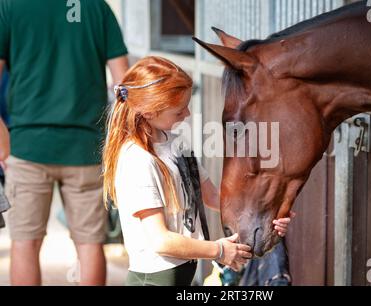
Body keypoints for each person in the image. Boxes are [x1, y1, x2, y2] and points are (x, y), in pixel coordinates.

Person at [102, 56, 294, 286]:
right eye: (179, 111)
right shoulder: (139, 160)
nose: (187, 115)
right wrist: (219, 251)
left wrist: (268, 213)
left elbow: (213, 197)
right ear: (149, 112)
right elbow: (160, 240)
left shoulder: (174, 142)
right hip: (153, 280)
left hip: (182, 273)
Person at [0, 0, 129, 285]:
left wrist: (1, 138)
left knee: (25, 243)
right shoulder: (96, 7)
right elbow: (124, 85)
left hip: (27, 146)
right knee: (89, 244)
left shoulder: (10, 6)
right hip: (87, 148)